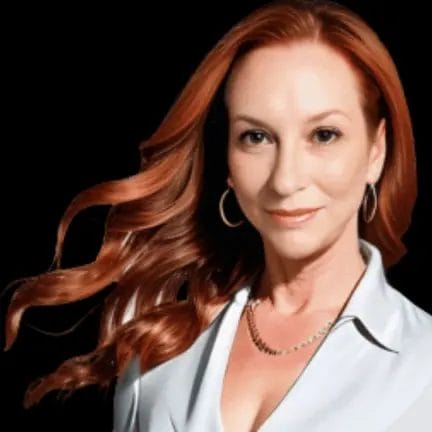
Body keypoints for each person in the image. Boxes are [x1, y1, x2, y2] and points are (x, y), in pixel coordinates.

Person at [3, 0, 432, 430]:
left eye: (323, 135)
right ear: (227, 159)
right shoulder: (159, 346)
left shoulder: (423, 365)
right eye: (256, 137)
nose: (285, 180)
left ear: (376, 151)